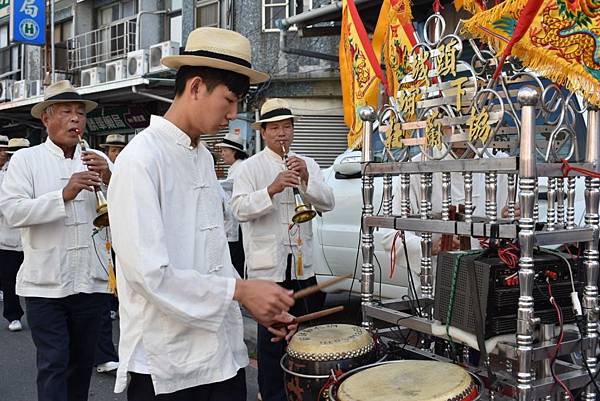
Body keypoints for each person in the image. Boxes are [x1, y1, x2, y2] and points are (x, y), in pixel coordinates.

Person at [107, 27, 297, 401]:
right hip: (168, 367)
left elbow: (215, 255)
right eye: (229, 100)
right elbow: (149, 275)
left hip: (221, 357)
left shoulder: (202, 159)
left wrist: (250, 300)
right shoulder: (141, 160)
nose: (233, 114)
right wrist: (241, 290)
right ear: (195, 87)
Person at [0, 80, 112, 401]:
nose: (76, 119)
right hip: (45, 285)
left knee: (80, 366)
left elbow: (130, 211)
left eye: (80, 113)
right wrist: (63, 194)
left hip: (91, 281)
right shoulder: (26, 160)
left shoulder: (97, 157)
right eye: (66, 112)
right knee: (53, 363)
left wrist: (111, 178)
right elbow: (12, 212)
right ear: (46, 119)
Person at [232, 98, 335, 401]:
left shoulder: (309, 163)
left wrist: (305, 180)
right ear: (263, 132)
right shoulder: (250, 168)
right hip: (268, 269)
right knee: (273, 338)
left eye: (287, 127)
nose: (282, 134)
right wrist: (271, 190)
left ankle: (305, 389)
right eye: (275, 128)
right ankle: (272, 393)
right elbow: (238, 209)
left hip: (304, 265)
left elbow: (328, 202)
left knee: (307, 332)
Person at [0, 138, 30, 332]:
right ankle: (13, 315)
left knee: (36, 279)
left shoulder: (32, 172)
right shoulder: (3, 176)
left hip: (33, 237)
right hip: (8, 238)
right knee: (9, 280)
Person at [216, 132, 248, 277]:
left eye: (224, 150)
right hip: (232, 224)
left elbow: (229, 185)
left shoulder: (241, 168)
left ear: (234, 151)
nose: (222, 154)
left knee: (237, 261)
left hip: (238, 225)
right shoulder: (234, 168)